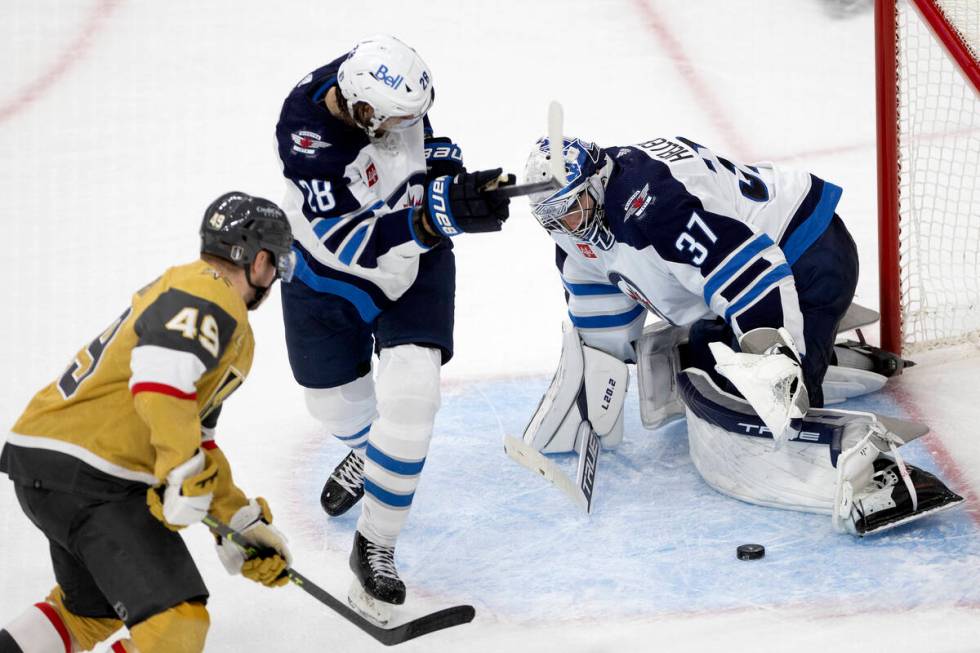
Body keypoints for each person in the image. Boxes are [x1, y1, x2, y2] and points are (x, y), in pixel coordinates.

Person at [514, 135, 963, 534]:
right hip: (760, 266)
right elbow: (602, 328)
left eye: (572, 208)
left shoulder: (653, 204)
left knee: (763, 397)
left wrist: (776, 369)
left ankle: (879, 478)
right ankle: (821, 354)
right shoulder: (579, 236)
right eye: (552, 218)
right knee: (702, 355)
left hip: (810, 255)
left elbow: (752, 275)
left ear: (597, 182)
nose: (566, 226)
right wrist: (586, 409)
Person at [274, 34, 511, 622]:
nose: (409, 124)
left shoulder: (379, 83)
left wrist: (458, 183)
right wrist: (436, 215)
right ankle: (366, 453)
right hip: (327, 270)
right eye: (397, 119)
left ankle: (374, 543)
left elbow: (426, 144)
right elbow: (350, 241)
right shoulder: (308, 138)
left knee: (411, 403)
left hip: (415, 264)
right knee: (331, 405)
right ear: (359, 111)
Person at [0, 192, 296, 653]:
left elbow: (197, 438)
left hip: (53, 462)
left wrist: (237, 521)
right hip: (95, 473)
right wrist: (179, 471)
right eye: (278, 264)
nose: (276, 276)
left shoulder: (195, 296)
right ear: (259, 261)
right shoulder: (209, 292)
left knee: (86, 613)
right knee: (175, 625)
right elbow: (161, 381)